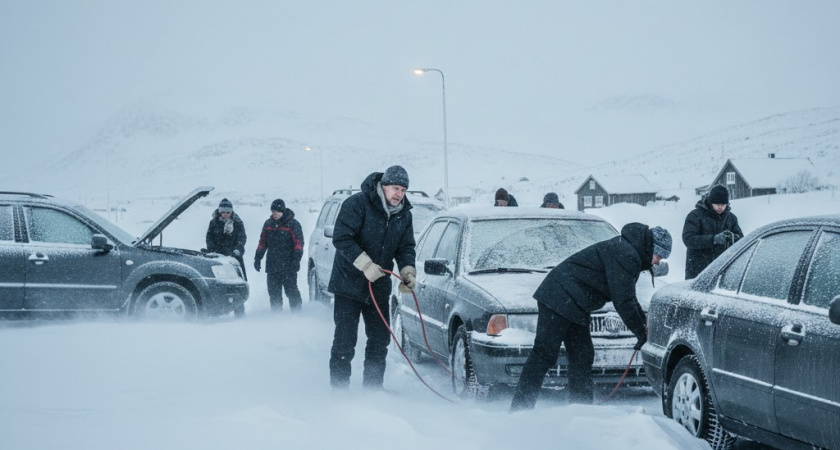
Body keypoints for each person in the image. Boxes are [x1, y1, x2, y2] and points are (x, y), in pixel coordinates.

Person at [510, 223, 672, 411]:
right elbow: (624, 301)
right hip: (559, 296)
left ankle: (581, 409)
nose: (657, 262)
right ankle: (520, 409)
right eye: (659, 256)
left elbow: (629, 297)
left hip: (574, 302)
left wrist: (643, 328)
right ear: (651, 247)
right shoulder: (627, 253)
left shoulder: (630, 250)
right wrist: (640, 332)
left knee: (582, 355)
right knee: (544, 354)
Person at [328, 165, 417, 390]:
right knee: (345, 342)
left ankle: (372, 391)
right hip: (348, 284)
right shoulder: (357, 204)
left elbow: (406, 246)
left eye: (403, 190)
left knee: (379, 340)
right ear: (383, 186)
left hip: (377, 287)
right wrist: (365, 264)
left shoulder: (404, 215)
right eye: (396, 188)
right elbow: (341, 238)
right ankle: (339, 391)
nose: (399, 194)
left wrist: (407, 270)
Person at [682, 185, 743, 279]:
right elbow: (688, 239)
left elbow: (741, 240)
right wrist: (713, 239)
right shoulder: (695, 215)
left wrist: (732, 238)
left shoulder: (731, 218)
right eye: (717, 204)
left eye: (723, 204)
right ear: (710, 202)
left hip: (722, 270)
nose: (720, 207)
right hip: (698, 271)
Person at [253, 199, 304, 312]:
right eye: (273, 211)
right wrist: (258, 258)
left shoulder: (293, 224)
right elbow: (262, 243)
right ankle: (276, 316)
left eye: (278, 211)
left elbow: (298, 244)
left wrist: (296, 260)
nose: (275, 214)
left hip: (288, 265)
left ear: (283, 211)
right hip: (272, 265)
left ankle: (297, 313)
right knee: (274, 293)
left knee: (291, 291)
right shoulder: (268, 224)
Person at [205, 198, 248, 317]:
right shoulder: (213, 223)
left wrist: (237, 249)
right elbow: (209, 238)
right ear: (219, 212)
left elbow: (242, 238)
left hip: (234, 258)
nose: (225, 214)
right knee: (218, 284)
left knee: (237, 285)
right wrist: (212, 250)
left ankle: (240, 313)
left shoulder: (238, 223)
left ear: (231, 212)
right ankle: (217, 312)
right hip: (218, 258)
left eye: (227, 212)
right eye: (223, 212)